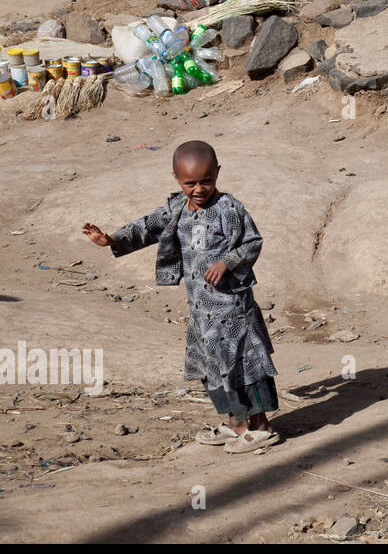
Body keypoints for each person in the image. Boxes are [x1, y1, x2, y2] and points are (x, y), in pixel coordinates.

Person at [81, 141, 280, 454]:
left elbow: (252, 243)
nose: (199, 189)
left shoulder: (229, 210)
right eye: (190, 183)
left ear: (217, 174)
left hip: (232, 308)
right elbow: (147, 226)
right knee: (212, 365)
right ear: (176, 178)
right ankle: (237, 424)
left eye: (207, 181)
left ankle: (261, 427)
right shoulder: (177, 209)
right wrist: (111, 240)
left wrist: (226, 262)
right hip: (202, 309)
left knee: (243, 365)